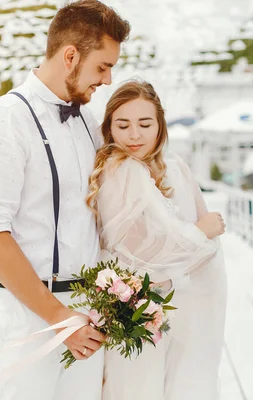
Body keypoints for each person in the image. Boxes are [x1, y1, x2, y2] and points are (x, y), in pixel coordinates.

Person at [0, 1, 130, 399]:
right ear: (70, 56)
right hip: (27, 317)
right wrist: (58, 317)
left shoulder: (89, 123)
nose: (108, 80)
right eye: (102, 67)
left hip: (89, 313)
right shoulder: (7, 119)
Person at [86, 81, 227, 399]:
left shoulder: (176, 168)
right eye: (123, 125)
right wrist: (199, 233)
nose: (134, 135)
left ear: (160, 125)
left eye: (145, 124)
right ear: (109, 127)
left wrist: (198, 238)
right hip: (137, 311)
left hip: (183, 307)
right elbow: (140, 254)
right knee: (139, 388)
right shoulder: (119, 171)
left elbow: (204, 246)